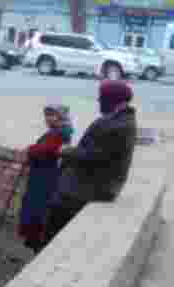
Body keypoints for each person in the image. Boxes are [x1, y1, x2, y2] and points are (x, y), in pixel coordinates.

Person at [42, 80, 137, 247]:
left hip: (94, 187)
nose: (98, 101)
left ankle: (48, 249)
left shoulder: (118, 125)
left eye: (102, 98)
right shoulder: (118, 119)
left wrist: (66, 151)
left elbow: (94, 156)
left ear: (112, 100)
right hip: (92, 181)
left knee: (56, 217)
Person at [17, 104, 74, 253]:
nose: (48, 119)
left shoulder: (62, 133)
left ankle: (38, 245)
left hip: (47, 179)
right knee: (35, 211)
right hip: (40, 177)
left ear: (60, 117)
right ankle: (35, 243)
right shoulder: (54, 132)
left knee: (40, 212)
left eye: (52, 115)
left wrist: (30, 150)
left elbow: (46, 149)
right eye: (47, 115)